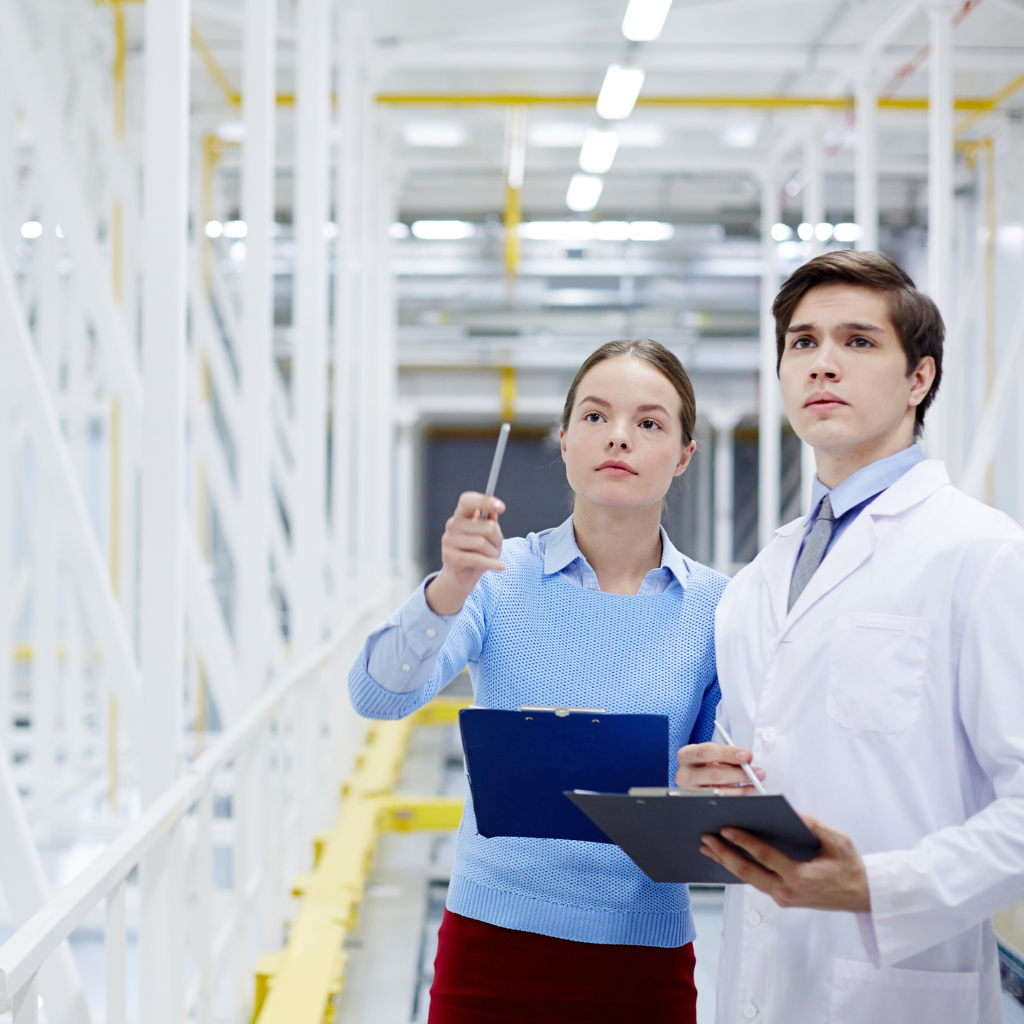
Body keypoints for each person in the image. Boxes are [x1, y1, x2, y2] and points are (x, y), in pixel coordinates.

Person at [676, 250, 1024, 1024]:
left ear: (919, 379)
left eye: (858, 341)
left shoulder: (981, 554)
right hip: (757, 982)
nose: (822, 363)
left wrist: (877, 885)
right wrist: (705, 790)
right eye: (802, 343)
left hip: (897, 986)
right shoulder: (762, 578)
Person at [350, 339, 728, 1024]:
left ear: (683, 455)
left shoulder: (717, 608)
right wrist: (447, 590)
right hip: (493, 944)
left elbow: (713, 783)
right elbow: (377, 696)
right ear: (563, 440)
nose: (618, 436)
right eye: (594, 416)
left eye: (649, 422)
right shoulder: (497, 580)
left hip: (642, 952)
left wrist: (712, 787)